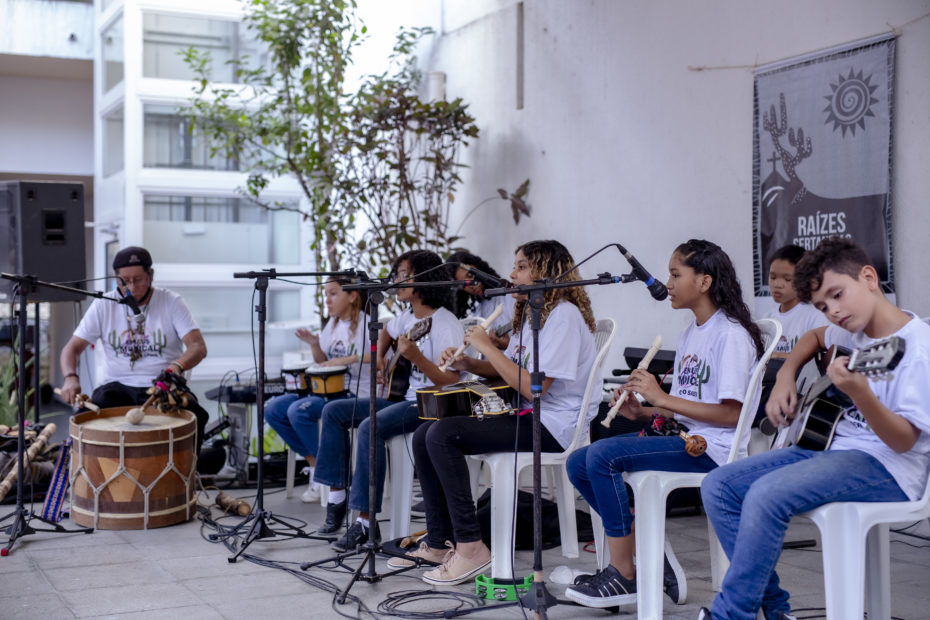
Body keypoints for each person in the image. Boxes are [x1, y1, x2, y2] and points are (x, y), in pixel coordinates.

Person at [698, 237, 930, 620]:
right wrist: (787, 374)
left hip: (886, 465)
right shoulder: (850, 331)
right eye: (823, 306)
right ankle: (775, 610)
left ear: (869, 277)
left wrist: (861, 393)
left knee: (767, 493)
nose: (834, 312)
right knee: (718, 486)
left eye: (838, 296)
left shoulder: (917, 349)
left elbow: (904, 442)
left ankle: (731, 614)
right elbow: (814, 337)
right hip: (826, 449)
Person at [564, 239, 765, 608]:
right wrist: (645, 412)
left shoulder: (731, 335)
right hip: (684, 435)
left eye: (676, 274)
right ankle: (649, 550)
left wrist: (661, 398)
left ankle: (625, 573)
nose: (667, 283)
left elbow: (732, 415)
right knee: (578, 462)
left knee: (603, 457)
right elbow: (688, 405)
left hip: (711, 449)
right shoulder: (691, 332)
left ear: (704, 282)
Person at [391, 239, 598, 586]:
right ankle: (442, 541)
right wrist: (469, 360)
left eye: (520, 267)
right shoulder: (532, 313)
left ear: (544, 272)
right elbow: (507, 369)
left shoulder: (562, 316)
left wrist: (486, 345)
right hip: (525, 414)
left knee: (443, 435)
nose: (511, 275)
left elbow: (535, 386)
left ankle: (471, 547)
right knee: (428, 431)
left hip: (552, 424)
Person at [313, 250, 463, 548]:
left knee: (371, 427)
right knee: (333, 411)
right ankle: (336, 498)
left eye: (404, 274)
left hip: (433, 405)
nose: (396, 280)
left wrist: (417, 357)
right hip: (406, 399)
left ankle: (366, 522)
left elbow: (452, 381)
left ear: (423, 278)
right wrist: (380, 355)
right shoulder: (408, 316)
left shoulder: (446, 324)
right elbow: (385, 330)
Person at [59, 246, 210, 451]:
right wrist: (70, 377)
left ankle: (188, 477)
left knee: (195, 416)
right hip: (117, 386)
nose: (131, 286)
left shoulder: (171, 302)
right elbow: (72, 348)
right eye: (124, 281)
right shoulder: (104, 304)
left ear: (151, 276)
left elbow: (198, 346)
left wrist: (176, 366)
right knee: (82, 424)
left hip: (161, 387)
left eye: (137, 279)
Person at [264, 277, 369, 503]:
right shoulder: (331, 324)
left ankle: (328, 474)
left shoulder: (367, 324)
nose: (327, 301)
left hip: (354, 392)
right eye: (326, 295)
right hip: (327, 391)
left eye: (333, 294)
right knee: (273, 408)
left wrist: (346, 359)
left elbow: (378, 357)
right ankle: (315, 465)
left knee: (298, 411)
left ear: (352, 296)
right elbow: (323, 362)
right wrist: (314, 344)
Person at [765, 244, 830, 358]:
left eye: (787, 279)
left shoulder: (816, 316)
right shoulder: (768, 318)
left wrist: (789, 359)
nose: (777, 284)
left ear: (804, 279)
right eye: (773, 277)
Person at [447, 250, 514, 348]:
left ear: (479, 268)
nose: (471, 285)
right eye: (464, 284)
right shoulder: (475, 311)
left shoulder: (510, 295)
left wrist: (508, 345)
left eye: (470, 276)